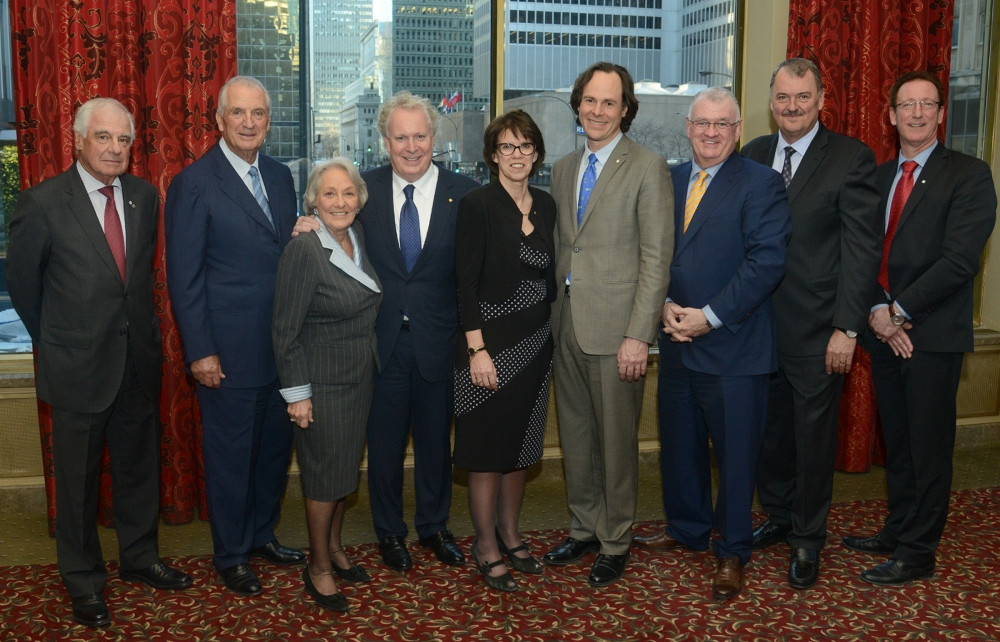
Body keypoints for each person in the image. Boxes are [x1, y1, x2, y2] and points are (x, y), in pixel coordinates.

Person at [7, 97, 192, 628]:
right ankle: (83, 579)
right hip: (76, 367)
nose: (114, 148)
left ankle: (140, 557)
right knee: (78, 484)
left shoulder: (143, 197)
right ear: (79, 140)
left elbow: (134, 282)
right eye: (104, 137)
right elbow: (24, 288)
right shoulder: (42, 203)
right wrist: (62, 340)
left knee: (139, 472)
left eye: (123, 139)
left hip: (136, 363)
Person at [294, 91, 478, 572]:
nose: (411, 147)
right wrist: (307, 225)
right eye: (401, 138)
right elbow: (334, 227)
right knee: (385, 447)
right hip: (378, 344)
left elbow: (477, 269)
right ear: (385, 141)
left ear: (433, 138)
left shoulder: (466, 193)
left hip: (441, 341)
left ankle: (434, 527)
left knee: (436, 445)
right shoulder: (364, 192)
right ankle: (390, 533)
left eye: (420, 136)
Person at [842, 70, 996, 585]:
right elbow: (860, 253)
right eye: (906, 104)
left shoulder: (969, 175)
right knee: (900, 442)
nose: (916, 113)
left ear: (941, 114)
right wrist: (877, 312)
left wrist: (898, 313)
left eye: (927, 104)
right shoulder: (879, 176)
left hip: (930, 335)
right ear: (891, 115)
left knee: (928, 446)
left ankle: (919, 551)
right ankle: (898, 528)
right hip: (883, 330)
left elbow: (959, 262)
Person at [736, 58, 882, 589]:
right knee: (770, 434)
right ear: (770, 101)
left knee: (813, 439)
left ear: (822, 100)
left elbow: (861, 250)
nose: (792, 106)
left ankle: (807, 538)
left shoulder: (851, 158)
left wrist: (847, 328)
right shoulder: (752, 154)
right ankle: (778, 514)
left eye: (802, 97)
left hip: (819, 332)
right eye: (782, 97)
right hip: (756, 328)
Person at [165, 76, 304, 597]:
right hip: (226, 353)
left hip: (281, 350)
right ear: (219, 119)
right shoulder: (194, 183)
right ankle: (231, 554)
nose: (249, 122)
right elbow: (184, 277)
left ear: (268, 120)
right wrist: (201, 350)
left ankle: (262, 535)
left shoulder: (281, 176)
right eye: (239, 113)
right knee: (231, 460)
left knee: (272, 454)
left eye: (258, 113)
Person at [650, 87, 790, 601]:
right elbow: (654, 253)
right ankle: (688, 528)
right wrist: (663, 302)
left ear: (737, 130)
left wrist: (708, 317)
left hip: (734, 345)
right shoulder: (669, 180)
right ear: (688, 127)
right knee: (680, 445)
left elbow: (766, 262)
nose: (711, 133)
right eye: (703, 123)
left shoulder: (761, 182)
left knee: (734, 457)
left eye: (722, 124)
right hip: (676, 340)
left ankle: (732, 549)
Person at [541, 62, 673, 588]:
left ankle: (616, 538)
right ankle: (584, 527)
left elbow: (656, 259)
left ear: (625, 110)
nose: (597, 111)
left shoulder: (648, 166)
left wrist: (639, 335)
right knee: (576, 436)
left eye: (609, 102)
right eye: (590, 100)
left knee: (616, 443)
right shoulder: (563, 168)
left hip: (619, 332)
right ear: (578, 104)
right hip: (566, 324)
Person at [273, 159, 381, 613]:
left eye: (348, 193)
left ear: (359, 199)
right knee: (322, 478)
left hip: (358, 379)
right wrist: (298, 395)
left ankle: (335, 549)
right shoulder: (305, 249)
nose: (340, 202)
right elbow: (284, 331)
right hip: (320, 385)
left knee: (343, 473)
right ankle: (318, 566)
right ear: (313, 201)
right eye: (330, 193)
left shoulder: (357, 236)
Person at [454, 111, 556, 592]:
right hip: (489, 348)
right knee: (486, 451)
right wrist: (477, 350)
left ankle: (511, 535)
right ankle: (485, 545)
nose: (517, 154)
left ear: (536, 153)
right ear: (493, 155)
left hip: (536, 345)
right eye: (507, 146)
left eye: (526, 145)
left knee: (521, 446)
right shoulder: (477, 204)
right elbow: (464, 284)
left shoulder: (547, 205)